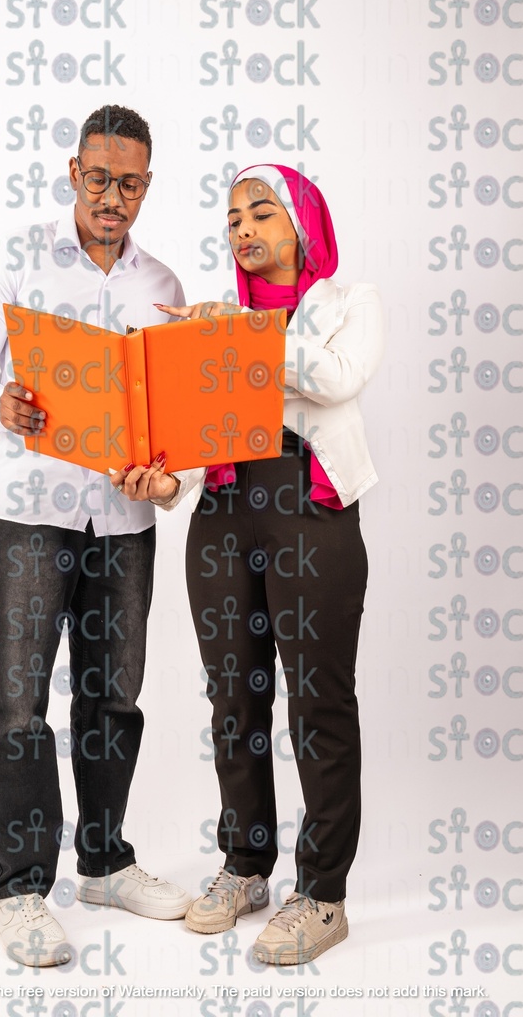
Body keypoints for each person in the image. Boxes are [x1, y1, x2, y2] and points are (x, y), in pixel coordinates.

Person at [112, 163, 383, 965]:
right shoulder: (220, 323)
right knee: (234, 701)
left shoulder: (348, 304)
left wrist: (238, 336)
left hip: (311, 510)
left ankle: (323, 894)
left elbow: (335, 379)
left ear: (302, 224)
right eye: (232, 218)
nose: (243, 229)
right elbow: (197, 452)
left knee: (318, 706)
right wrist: (165, 484)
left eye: (261, 213)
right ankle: (245, 864)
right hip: (226, 519)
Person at [0, 104, 192, 967]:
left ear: (147, 186)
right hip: (27, 514)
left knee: (113, 697)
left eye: (130, 183)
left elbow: (176, 419)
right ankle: (19, 889)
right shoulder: (15, 256)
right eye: (99, 177)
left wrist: (165, 476)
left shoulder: (163, 285)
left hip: (122, 521)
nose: (112, 196)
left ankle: (104, 861)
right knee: (15, 704)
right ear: (73, 172)